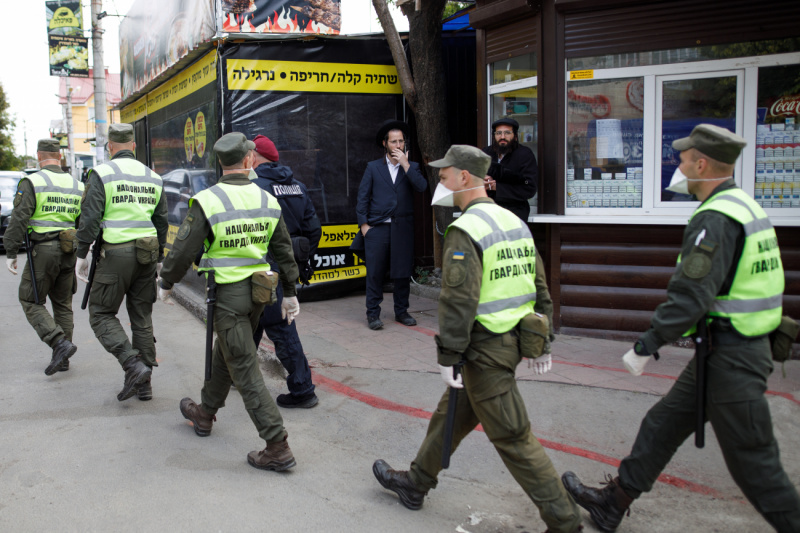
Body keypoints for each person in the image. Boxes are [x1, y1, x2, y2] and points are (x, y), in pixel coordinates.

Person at [562, 124, 800, 533]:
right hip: (722, 352)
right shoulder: (745, 206)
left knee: (757, 468)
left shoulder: (717, 218)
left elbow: (692, 296)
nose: (679, 164)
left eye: (684, 159)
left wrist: (647, 344)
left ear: (702, 163)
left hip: (735, 358)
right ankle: (613, 502)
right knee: (662, 424)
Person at [372, 145, 582, 533]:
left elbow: (458, 301)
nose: (440, 181)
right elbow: (540, 286)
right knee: (449, 416)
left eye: (445, 174)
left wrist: (448, 355)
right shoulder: (512, 221)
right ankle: (416, 483)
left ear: (464, 177)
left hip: (484, 350)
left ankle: (565, 521)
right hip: (506, 343)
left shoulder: (466, 229)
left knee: (515, 438)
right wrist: (543, 336)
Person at [159, 132, 301, 472]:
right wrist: (292, 292)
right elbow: (283, 248)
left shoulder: (209, 200)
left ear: (219, 163)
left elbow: (184, 249)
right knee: (228, 352)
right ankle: (204, 414)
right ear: (249, 161)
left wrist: (166, 282)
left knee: (245, 369)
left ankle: (277, 445)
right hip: (259, 294)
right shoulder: (267, 200)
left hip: (228, 296)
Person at [75, 123, 168, 402]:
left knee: (101, 313)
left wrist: (81, 253)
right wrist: (160, 257)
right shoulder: (153, 177)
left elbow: (90, 218)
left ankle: (132, 364)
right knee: (141, 316)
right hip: (147, 255)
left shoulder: (101, 174)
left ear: (110, 147)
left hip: (115, 255)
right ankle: (145, 383)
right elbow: (161, 222)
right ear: (134, 146)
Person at [249, 134, 320, 409]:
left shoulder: (255, 187)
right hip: (287, 268)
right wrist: (296, 259)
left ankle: (303, 390)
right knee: (253, 321)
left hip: (264, 268)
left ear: (254, 158)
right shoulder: (298, 187)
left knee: (279, 326)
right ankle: (233, 373)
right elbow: (314, 230)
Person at [4, 139, 83, 375]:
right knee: (63, 305)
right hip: (70, 250)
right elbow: (84, 222)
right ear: (59, 157)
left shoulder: (33, 181)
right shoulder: (77, 185)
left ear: (39, 156)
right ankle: (64, 358)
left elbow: (19, 218)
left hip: (43, 251)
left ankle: (58, 342)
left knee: (30, 300)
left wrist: (10, 250)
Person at [356, 119, 428, 330]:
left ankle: (401, 311)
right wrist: (364, 226)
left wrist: (406, 165)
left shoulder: (411, 167)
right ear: (385, 144)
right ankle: (373, 314)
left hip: (402, 228)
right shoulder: (373, 167)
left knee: (402, 272)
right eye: (394, 142)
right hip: (377, 228)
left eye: (401, 141)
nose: (398, 145)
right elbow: (362, 199)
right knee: (375, 273)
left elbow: (422, 187)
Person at [482, 117, 538, 222]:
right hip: (487, 210)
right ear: (494, 136)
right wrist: (481, 180)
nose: (502, 137)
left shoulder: (525, 154)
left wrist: (496, 187)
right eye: (498, 133)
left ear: (515, 136)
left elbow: (529, 188)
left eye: (507, 133)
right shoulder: (486, 152)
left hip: (514, 212)